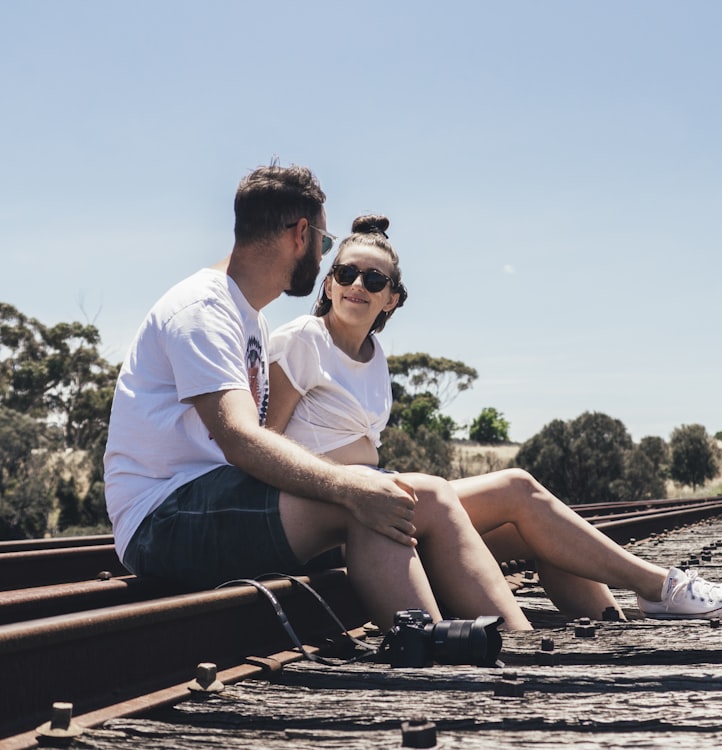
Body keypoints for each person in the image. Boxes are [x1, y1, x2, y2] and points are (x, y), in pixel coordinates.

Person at [265, 214, 722, 625]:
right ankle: (657, 588)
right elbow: (265, 445)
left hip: (387, 497)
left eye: (374, 280)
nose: (357, 286)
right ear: (328, 283)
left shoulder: (374, 357)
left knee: (537, 533)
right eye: (347, 274)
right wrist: (343, 493)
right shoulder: (302, 340)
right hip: (338, 512)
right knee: (518, 487)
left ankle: (613, 627)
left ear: (391, 298)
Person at [103, 163, 532, 632]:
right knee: (383, 497)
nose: (324, 255)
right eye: (327, 245)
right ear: (301, 235)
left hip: (210, 500)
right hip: (163, 518)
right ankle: (430, 655)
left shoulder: (248, 316)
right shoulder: (203, 308)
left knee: (403, 497)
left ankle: (511, 647)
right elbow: (241, 439)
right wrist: (348, 485)